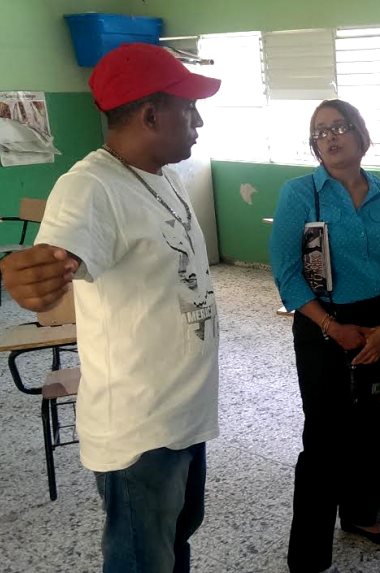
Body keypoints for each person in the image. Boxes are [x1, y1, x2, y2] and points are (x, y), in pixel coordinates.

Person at [0, 43, 221, 571]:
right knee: (142, 559)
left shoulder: (162, 175)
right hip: (140, 431)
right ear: (150, 114)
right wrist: (34, 279)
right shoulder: (88, 187)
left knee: (177, 541)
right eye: (187, 109)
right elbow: (56, 260)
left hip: (184, 415)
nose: (199, 121)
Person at [269, 99, 380, 573]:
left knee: (375, 427)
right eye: (320, 132)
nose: (330, 137)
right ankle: (309, 556)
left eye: (339, 127)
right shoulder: (300, 194)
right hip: (323, 325)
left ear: (359, 133)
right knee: (325, 435)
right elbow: (288, 274)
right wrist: (334, 328)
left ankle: (359, 513)